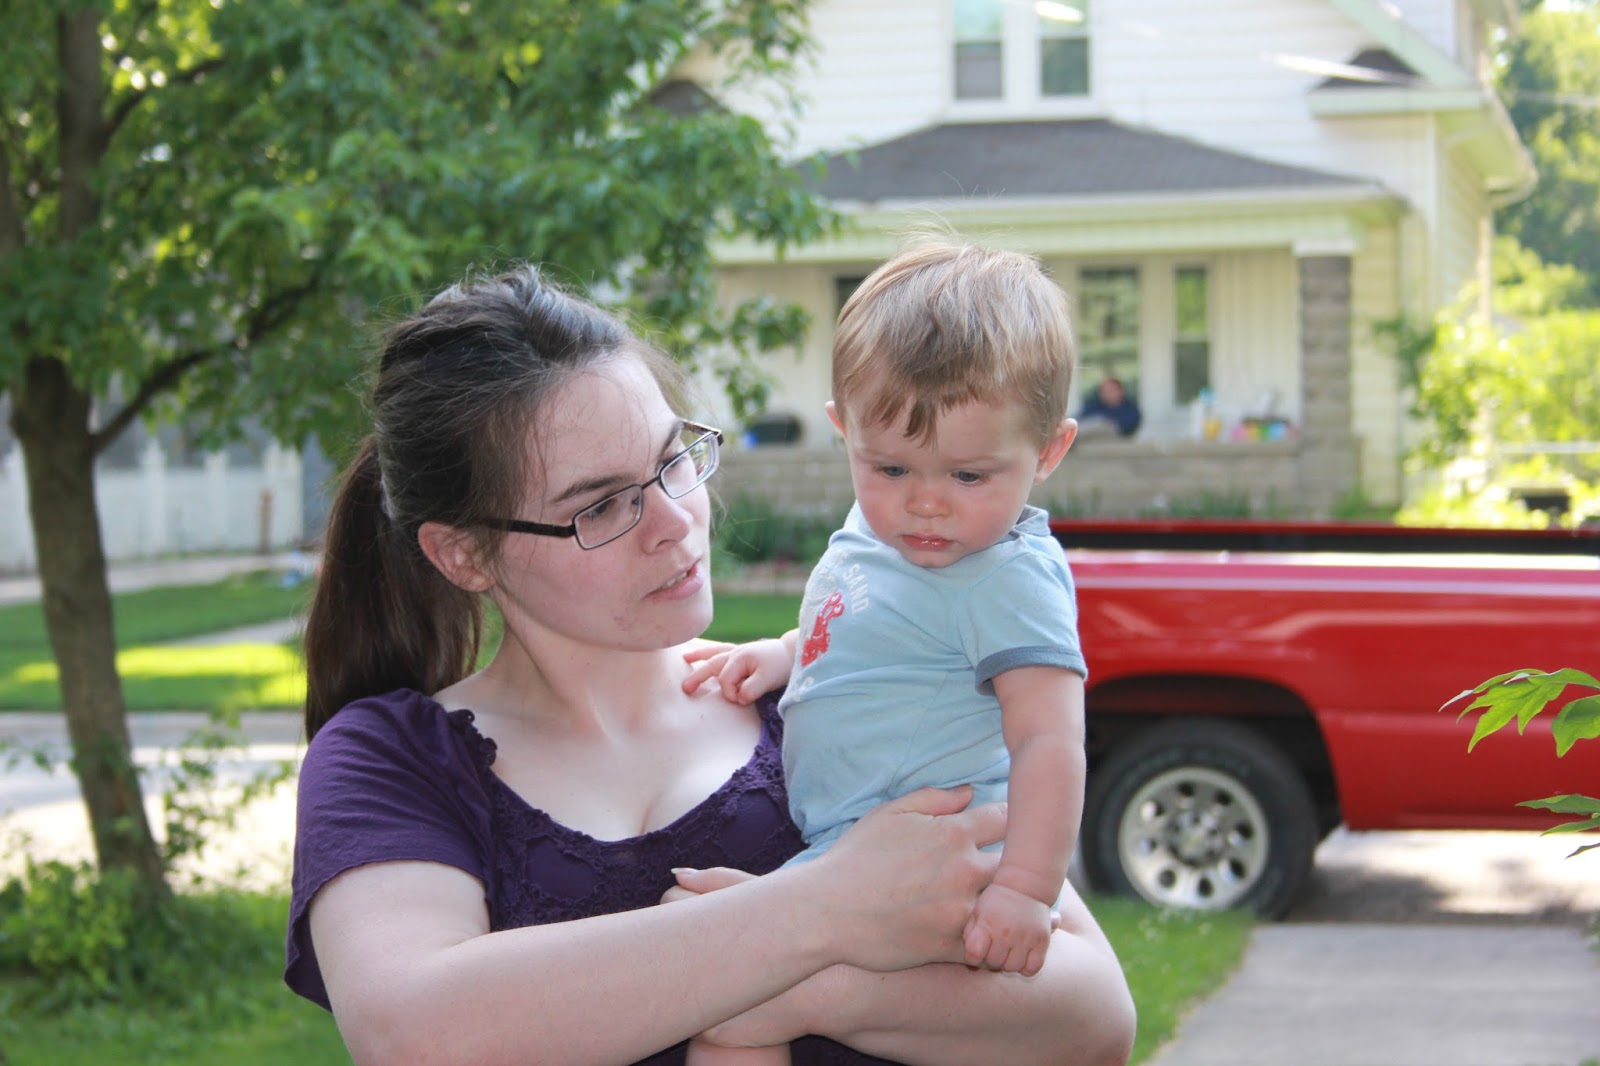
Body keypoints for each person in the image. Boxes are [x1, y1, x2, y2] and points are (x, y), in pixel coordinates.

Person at [285, 263, 1136, 1066]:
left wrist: (818, 994)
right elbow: (415, 1031)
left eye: (672, 461)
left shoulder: (821, 692)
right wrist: (824, 907)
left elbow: (1096, 1018)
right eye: (603, 506)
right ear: (464, 554)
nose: (676, 521)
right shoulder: (393, 758)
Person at [681, 239, 1091, 1066]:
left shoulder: (1006, 578)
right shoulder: (879, 533)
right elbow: (879, 631)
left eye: (969, 477)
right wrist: (789, 652)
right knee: (722, 984)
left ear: (1048, 452)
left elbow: (1051, 739)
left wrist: (1024, 889)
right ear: (845, 432)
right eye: (891, 467)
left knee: (730, 1001)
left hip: (946, 869)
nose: (925, 503)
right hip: (862, 855)